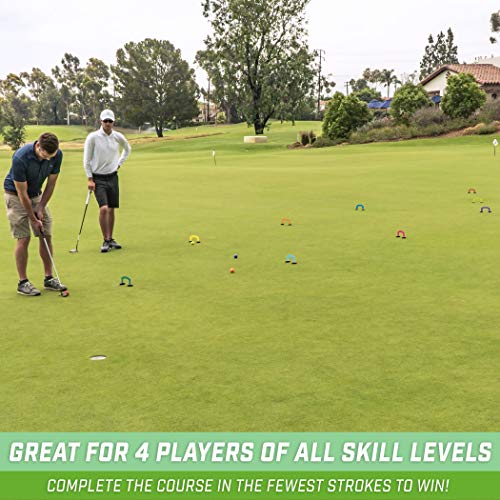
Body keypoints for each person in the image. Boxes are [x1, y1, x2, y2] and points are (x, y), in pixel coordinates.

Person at [3, 132, 67, 296]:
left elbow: (51, 184)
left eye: (51, 156)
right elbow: (22, 193)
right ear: (38, 146)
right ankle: (23, 282)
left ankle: (49, 278)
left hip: (36, 195)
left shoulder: (56, 155)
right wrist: (33, 218)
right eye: (45, 155)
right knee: (24, 237)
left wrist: (41, 207)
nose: (48, 159)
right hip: (15, 195)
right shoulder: (20, 157)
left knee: (45, 234)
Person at [83, 109, 131, 252]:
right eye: (105, 121)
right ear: (101, 121)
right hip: (98, 178)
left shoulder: (117, 136)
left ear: (113, 122)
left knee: (111, 209)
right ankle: (105, 239)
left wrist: (119, 163)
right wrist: (90, 178)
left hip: (112, 176)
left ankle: (110, 238)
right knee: (103, 208)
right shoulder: (93, 137)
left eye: (110, 121)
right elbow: (86, 160)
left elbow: (127, 149)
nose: (108, 123)